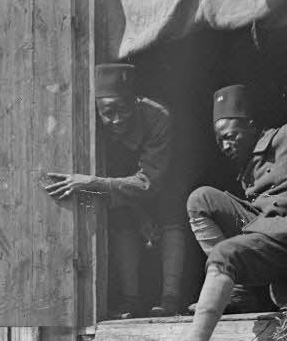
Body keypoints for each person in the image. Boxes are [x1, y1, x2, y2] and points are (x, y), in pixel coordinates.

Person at [143, 83, 287, 341]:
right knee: (201, 198)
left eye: (230, 136)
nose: (225, 145)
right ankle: (237, 290)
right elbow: (260, 216)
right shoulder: (248, 168)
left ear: (250, 125)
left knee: (226, 253)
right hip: (269, 231)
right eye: (220, 141)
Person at [42, 62, 187, 318]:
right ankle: (131, 301)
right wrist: (138, 213)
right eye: (108, 112)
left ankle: (170, 299)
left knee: (172, 210)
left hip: (158, 181)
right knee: (119, 216)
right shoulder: (87, 122)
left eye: (124, 109)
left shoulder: (158, 117)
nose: (117, 119)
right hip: (119, 188)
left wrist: (93, 183)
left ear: (135, 101)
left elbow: (149, 181)